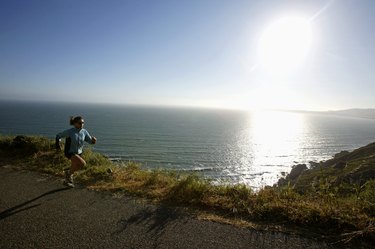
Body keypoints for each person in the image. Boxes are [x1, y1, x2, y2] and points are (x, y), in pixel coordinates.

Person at [56, 116, 97, 187]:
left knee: (76, 166)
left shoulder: (84, 132)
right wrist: (58, 145)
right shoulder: (69, 132)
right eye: (80, 123)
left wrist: (94, 141)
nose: (82, 124)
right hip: (70, 152)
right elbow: (58, 136)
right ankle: (68, 174)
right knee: (83, 164)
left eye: (83, 123)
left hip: (79, 153)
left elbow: (90, 141)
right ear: (75, 123)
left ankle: (67, 180)